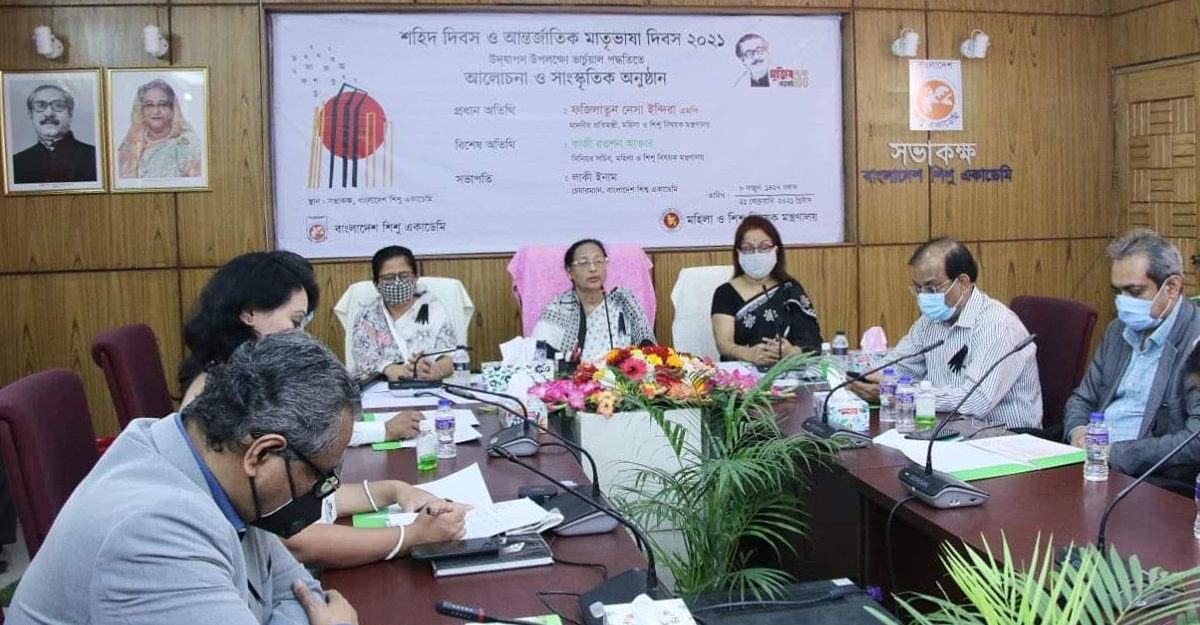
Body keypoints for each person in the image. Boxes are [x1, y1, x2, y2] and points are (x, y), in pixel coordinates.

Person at [10, 332, 362, 624]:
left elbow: (303, 592)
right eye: (319, 476)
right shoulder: (152, 532)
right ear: (261, 454)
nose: (321, 490)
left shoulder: (219, 463)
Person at [177, 251, 466, 570]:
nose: (301, 335)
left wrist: (394, 491)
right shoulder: (221, 400)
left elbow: (306, 495)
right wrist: (411, 536)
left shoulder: (246, 381)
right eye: (295, 322)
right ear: (249, 314)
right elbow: (295, 538)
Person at [848, 238, 1043, 428]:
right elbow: (897, 368)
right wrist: (868, 381)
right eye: (918, 288)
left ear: (963, 283)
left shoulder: (997, 326)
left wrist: (900, 394)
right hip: (947, 429)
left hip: (1004, 437)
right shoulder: (930, 322)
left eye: (931, 288)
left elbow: (975, 401)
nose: (923, 297)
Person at [1064, 230, 1200, 491]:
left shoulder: (1196, 340)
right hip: (1092, 465)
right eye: (1118, 291)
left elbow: (1195, 439)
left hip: (1152, 479)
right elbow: (1082, 398)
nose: (1123, 302)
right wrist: (1078, 431)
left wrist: (1115, 453)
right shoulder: (1118, 331)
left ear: (1171, 287)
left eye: (1134, 291)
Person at [711, 215, 821, 366]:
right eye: (748, 248)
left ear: (776, 250)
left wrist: (791, 352)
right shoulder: (725, 293)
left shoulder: (789, 289)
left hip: (788, 370)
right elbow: (723, 343)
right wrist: (748, 354)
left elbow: (812, 342)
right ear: (738, 252)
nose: (756, 254)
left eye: (764, 247)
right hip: (741, 373)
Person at [532, 239, 656, 363]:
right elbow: (539, 355)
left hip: (621, 374)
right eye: (584, 263)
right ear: (570, 272)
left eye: (598, 261)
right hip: (570, 374)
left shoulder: (623, 301)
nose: (593, 268)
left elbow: (647, 345)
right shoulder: (558, 308)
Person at [349, 246, 458, 382]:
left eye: (404, 276)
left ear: (415, 277)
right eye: (389, 278)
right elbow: (363, 358)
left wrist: (436, 371)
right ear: (376, 283)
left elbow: (450, 356)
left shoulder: (434, 310)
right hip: (381, 387)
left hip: (428, 386)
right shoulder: (367, 316)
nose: (397, 282)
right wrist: (392, 370)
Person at [116, 78, 202, 179]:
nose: (156, 111)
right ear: (141, 109)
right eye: (149, 105)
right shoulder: (130, 143)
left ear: (173, 109)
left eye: (162, 105)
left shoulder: (188, 144)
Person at [12, 84, 97, 184]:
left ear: (70, 114)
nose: (49, 113)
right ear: (30, 114)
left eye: (58, 105)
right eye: (40, 106)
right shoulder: (16, 163)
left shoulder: (94, 157)